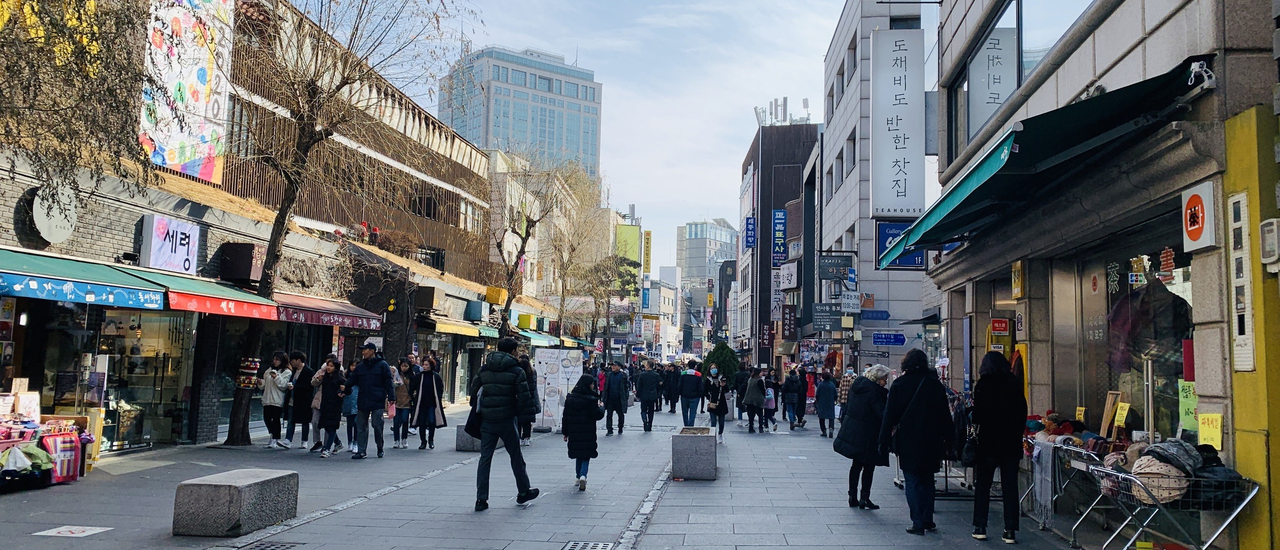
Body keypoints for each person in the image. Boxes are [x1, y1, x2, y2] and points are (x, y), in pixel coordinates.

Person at [879, 349, 954, 535]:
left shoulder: (899, 385)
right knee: (928, 479)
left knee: (911, 479)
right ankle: (928, 519)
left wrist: (883, 440)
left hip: (908, 439)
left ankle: (917, 521)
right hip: (931, 439)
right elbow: (945, 415)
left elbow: (889, 416)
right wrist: (951, 439)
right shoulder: (934, 385)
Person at [469, 338, 540, 511]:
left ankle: (481, 499)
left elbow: (473, 392)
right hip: (507, 421)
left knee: (485, 459)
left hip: (487, 421)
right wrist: (513, 411)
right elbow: (524, 397)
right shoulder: (517, 371)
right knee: (516, 457)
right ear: (513, 351)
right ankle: (523, 491)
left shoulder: (485, 368)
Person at [970, 352, 1028, 544]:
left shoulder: (983, 385)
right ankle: (1010, 530)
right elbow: (1022, 414)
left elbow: (977, 417)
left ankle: (980, 527)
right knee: (1010, 487)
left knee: (983, 486)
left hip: (987, 444)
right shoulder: (1014, 384)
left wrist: (975, 437)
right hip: (1010, 444)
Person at [835, 364, 890, 509]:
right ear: (878, 378)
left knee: (856, 465)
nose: (886, 382)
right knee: (869, 466)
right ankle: (864, 498)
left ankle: (852, 496)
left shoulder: (857, 386)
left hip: (854, 431)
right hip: (869, 433)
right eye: (885, 378)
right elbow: (880, 412)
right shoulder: (875, 392)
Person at [345, 342, 394, 459]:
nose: (363, 352)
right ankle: (361, 451)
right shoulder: (360, 367)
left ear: (372, 351)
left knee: (377, 425)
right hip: (363, 399)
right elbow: (352, 380)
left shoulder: (382, 365)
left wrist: (392, 397)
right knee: (361, 426)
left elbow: (388, 382)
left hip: (377, 400)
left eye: (365, 350)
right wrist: (345, 389)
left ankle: (380, 446)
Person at [562, 374, 605, 491]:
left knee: (578, 453)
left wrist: (565, 432)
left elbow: (565, 416)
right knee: (586, 454)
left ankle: (577, 477)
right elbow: (597, 415)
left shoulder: (570, 398)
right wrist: (601, 407)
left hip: (574, 431)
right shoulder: (591, 400)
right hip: (588, 431)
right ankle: (583, 475)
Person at [313, 355, 346, 458]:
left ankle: (326, 448)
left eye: (331, 366)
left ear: (336, 367)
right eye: (328, 365)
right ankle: (338, 443)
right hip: (325, 404)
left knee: (331, 427)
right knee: (327, 426)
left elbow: (348, 388)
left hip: (335, 406)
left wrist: (343, 391)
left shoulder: (339, 378)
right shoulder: (325, 377)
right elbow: (314, 383)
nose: (329, 368)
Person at [258, 351, 292, 449]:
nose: (275, 361)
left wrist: (276, 377)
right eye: (274, 359)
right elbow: (264, 384)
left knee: (276, 419)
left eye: (277, 360)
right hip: (267, 398)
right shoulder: (269, 370)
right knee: (267, 418)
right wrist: (260, 382)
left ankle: (275, 438)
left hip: (277, 399)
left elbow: (283, 385)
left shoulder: (286, 372)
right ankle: (272, 434)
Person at [283, 351, 314, 449]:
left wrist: (295, 387)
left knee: (305, 421)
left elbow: (309, 387)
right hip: (292, 400)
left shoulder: (309, 372)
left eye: (292, 360)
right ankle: (288, 440)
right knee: (291, 420)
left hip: (304, 401)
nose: (291, 362)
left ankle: (304, 440)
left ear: (298, 360)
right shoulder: (294, 372)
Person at [391, 357, 416, 449]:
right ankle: (396, 440)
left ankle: (404, 439)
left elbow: (414, 388)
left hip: (407, 401)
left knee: (405, 421)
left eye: (406, 366)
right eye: (402, 366)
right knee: (396, 422)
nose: (404, 368)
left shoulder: (412, 376)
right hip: (397, 400)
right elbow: (391, 385)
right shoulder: (396, 374)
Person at [602, 362, 629, 435]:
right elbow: (605, 386)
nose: (613, 367)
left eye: (615, 366)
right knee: (609, 415)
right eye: (612, 366)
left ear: (619, 367)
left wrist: (626, 397)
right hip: (610, 398)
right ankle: (609, 429)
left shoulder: (623, 376)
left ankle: (620, 427)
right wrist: (603, 397)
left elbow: (626, 387)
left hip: (619, 399)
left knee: (620, 414)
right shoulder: (609, 375)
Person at [634, 361, 661, 432]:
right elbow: (658, 386)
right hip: (652, 395)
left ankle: (645, 421)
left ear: (648, 366)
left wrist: (638, 395)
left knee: (643, 410)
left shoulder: (642, 375)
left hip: (644, 395)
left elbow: (639, 386)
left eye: (646, 365)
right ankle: (650, 425)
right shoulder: (656, 375)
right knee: (651, 411)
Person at [705, 371, 730, 444]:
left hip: (721, 402)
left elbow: (727, 390)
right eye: (712, 368)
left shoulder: (721, 378)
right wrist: (708, 397)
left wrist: (724, 385)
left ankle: (720, 434)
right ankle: (713, 436)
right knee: (713, 422)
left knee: (721, 422)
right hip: (712, 402)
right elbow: (705, 390)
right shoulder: (708, 379)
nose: (713, 369)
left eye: (714, 368)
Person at [677, 362, 704, 427]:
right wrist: (700, 394)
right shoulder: (698, 374)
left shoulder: (683, 374)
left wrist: (680, 393)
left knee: (685, 411)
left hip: (684, 396)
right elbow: (700, 387)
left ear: (688, 366)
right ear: (695, 366)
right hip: (695, 396)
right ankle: (691, 425)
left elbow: (680, 385)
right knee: (693, 412)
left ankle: (686, 425)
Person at [518, 355, 537, 446]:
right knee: (527, 422)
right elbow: (533, 388)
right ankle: (526, 438)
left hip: (519, 400)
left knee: (518, 421)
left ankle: (518, 437)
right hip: (530, 401)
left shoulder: (518, 374)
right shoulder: (532, 373)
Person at [341, 360, 359, 453]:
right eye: (352, 365)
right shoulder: (345, 376)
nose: (353, 367)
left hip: (357, 401)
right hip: (348, 401)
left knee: (356, 423)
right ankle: (350, 442)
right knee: (349, 423)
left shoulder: (361, 376)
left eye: (355, 365)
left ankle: (356, 442)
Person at [741, 368, 766, 433]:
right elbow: (763, 390)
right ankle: (761, 427)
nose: (762, 374)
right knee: (760, 414)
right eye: (761, 372)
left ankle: (751, 427)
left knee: (751, 414)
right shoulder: (759, 380)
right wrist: (764, 396)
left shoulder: (750, 379)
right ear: (758, 373)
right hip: (757, 399)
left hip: (749, 399)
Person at [815, 373, 838, 438]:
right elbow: (835, 394)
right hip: (830, 403)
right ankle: (831, 428)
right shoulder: (832, 385)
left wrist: (818, 401)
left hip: (822, 403)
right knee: (831, 417)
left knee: (821, 418)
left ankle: (824, 431)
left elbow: (817, 394)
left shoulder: (820, 385)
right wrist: (834, 400)